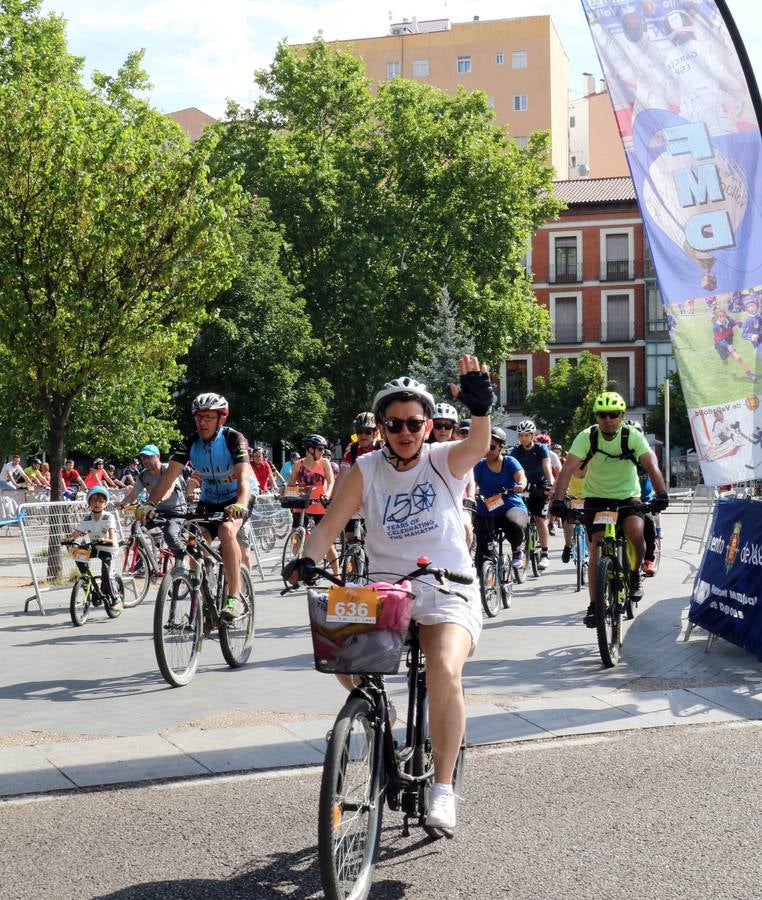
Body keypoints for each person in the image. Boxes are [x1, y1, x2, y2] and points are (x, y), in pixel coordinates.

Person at [284, 356, 493, 834]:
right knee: (341, 656)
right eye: (395, 423)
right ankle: (379, 711)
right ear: (381, 426)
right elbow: (330, 525)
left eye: (414, 423)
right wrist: (307, 559)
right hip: (386, 591)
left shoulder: (445, 459)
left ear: (426, 425)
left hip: (447, 587)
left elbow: (478, 443)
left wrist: (481, 409)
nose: (405, 431)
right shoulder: (366, 468)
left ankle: (443, 789)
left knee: (442, 670)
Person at [551, 392, 669, 627]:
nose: (608, 419)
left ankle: (634, 574)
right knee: (596, 546)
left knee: (636, 530)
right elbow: (567, 470)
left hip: (628, 496)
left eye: (613, 415)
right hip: (596, 498)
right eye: (602, 415)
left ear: (622, 416)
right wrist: (558, 499)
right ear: (597, 416)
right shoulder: (587, 437)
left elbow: (651, 465)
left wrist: (661, 494)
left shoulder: (632, 436)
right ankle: (595, 606)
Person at [145, 393, 250, 622]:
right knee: (196, 544)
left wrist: (240, 504)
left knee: (226, 531)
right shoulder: (190, 443)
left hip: (236, 498)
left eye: (208, 417)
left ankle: (234, 596)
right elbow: (168, 478)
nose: (202, 422)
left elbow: (243, 478)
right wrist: (150, 504)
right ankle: (208, 597)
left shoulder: (234, 439)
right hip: (209, 499)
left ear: (220, 419)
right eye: (199, 417)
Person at [119, 445, 188, 566]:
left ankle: (182, 560)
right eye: (143, 457)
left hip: (176, 511)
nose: (145, 460)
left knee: (170, 535)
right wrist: (121, 504)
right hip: (156, 510)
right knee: (137, 527)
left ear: (158, 456)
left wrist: (154, 502)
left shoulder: (168, 469)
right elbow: (133, 494)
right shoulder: (143, 475)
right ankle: (141, 565)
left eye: (149, 457)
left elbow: (169, 489)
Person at [473, 426, 529, 572]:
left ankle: (518, 549)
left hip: (510, 506)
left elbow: (521, 477)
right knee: (481, 544)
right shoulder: (479, 466)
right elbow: (472, 483)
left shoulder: (510, 462)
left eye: (492, 447)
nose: (488, 450)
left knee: (514, 521)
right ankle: (484, 576)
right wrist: (472, 493)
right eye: (485, 446)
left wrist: (521, 485)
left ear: (501, 447)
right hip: (487, 509)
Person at [288, 433, 338, 575]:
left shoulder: (324, 463)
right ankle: (297, 570)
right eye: (320, 449)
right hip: (302, 505)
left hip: (319, 505)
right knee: (296, 538)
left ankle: (337, 575)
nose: (323, 452)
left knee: (327, 543)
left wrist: (326, 494)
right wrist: (287, 496)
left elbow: (331, 481)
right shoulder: (299, 464)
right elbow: (291, 485)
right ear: (311, 449)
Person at [68, 486, 122, 613]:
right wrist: (68, 539)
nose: (97, 504)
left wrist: (110, 540)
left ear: (106, 503)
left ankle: (116, 600)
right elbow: (76, 533)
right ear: (89, 503)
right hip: (95, 547)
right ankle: (86, 581)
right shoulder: (87, 518)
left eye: (101, 501)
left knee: (107, 575)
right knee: (79, 553)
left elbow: (112, 533)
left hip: (109, 549)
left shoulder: (108, 517)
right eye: (93, 501)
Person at [510, 420, 554, 570]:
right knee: (517, 518)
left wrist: (551, 484)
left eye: (526, 436)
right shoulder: (516, 451)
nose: (523, 439)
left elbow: (547, 467)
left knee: (540, 519)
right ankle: (519, 550)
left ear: (533, 436)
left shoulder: (541, 448)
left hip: (540, 487)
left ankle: (545, 554)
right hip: (523, 486)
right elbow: (510, 467)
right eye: (520, 436)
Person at [336, 412, 384, 543]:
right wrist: (333, 499)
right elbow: (342, 476)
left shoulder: (383, 447)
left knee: (375, 540)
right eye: (359, 432)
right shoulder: (352, 448)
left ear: (375, 432)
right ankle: (354, 556)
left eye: (367, 432)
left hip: (378, 495)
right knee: (350, 537)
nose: (363, 436)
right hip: (357, 495)